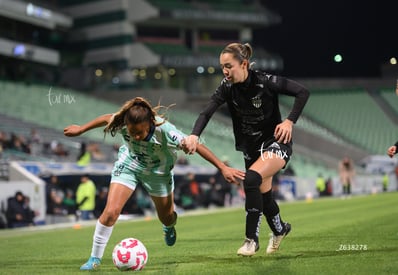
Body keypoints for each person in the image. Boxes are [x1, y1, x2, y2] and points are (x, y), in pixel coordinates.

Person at [64, 97, 244, 270]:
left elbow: (197, 145)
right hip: (129, 166)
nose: (134, 137)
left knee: (166, 217)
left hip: (158, 173)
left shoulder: (165, 131)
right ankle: (94, 259)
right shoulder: (123, 120)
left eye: (139, 133)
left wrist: (222, 167)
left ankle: (169, 226)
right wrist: (81, 129)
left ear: (150, 123)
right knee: (111, 212)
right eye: (131, 132)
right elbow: (106, 119)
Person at [182, 42, 309, 256]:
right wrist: (194, 135)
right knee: (264, 198)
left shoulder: (264, 81)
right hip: (251, 148)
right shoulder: (226, 87)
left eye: (229, 66)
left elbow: (302, 92)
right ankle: (280, 229)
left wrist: (289, 122)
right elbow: (206, 113)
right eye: (222, 66)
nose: (225, 71)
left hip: (276, 142)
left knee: (251, 179)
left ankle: (251, 240)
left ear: (244, 64)